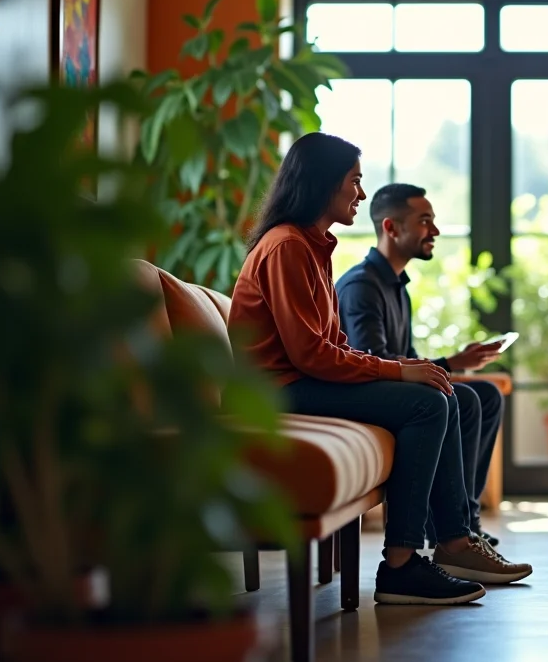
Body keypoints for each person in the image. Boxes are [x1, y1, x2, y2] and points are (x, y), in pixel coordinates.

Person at [228, 132, 532, 606]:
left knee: (440, 392)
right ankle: (401, 565)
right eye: (355, 181)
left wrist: (407, 367)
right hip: (279, 392)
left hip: (300, 384)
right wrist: (397, 372)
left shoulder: (310, 246)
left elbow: (333, 344)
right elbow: (311, 356)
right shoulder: (286, 247)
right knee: (427, 402)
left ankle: (454, 543)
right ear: (324, 184)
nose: (361, 194)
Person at [336, 183, 506, 548]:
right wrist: (451, 364)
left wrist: (455, 362)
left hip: (392, 388)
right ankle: (453, 527)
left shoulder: (397, 287)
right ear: (391, 228)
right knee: (464, 399)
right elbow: (374, 362)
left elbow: (407, 359)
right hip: (366, 396)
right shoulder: (361, 287)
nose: (436, 231)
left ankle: (465, 521)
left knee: (487, 394)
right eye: (425, 220)